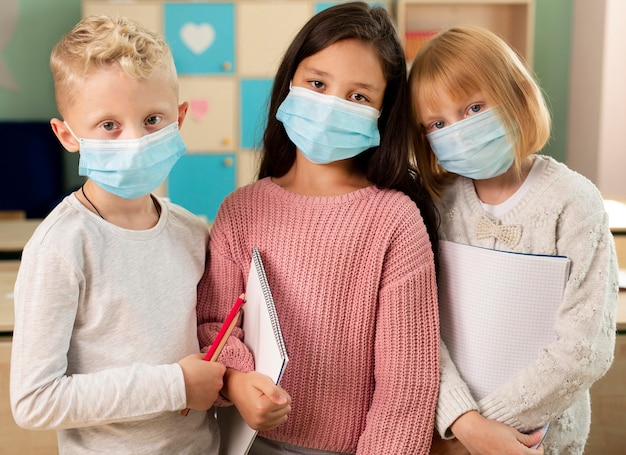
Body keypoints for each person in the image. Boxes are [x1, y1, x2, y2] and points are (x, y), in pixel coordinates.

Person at [196, 2, 441, 454]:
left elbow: (407, 387)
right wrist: (236, 381)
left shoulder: (395, 221)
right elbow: (214, 324)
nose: (330, 106)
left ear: (383, 114)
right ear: (289, 83)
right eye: (317, 83)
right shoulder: (241, 211)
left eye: (358, 96)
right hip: (246, 443)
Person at [10, 15, 227, 454]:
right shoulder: (60, 247)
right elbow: (33, 401)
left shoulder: (191, 232)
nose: (134, 140)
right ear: (67, 135)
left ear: (179, 118)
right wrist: (175, 386)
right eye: (109, 125)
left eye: (152, 119)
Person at [408, 25, 619, 455]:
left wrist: (489, 425)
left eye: (473, 108)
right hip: (450, 436)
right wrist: (463, 423)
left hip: (538, 442)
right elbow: (422, 329)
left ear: (518, 94)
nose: (458, 130)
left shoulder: (573, 202)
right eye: (438, 123)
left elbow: (586, 347)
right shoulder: (438, 204)